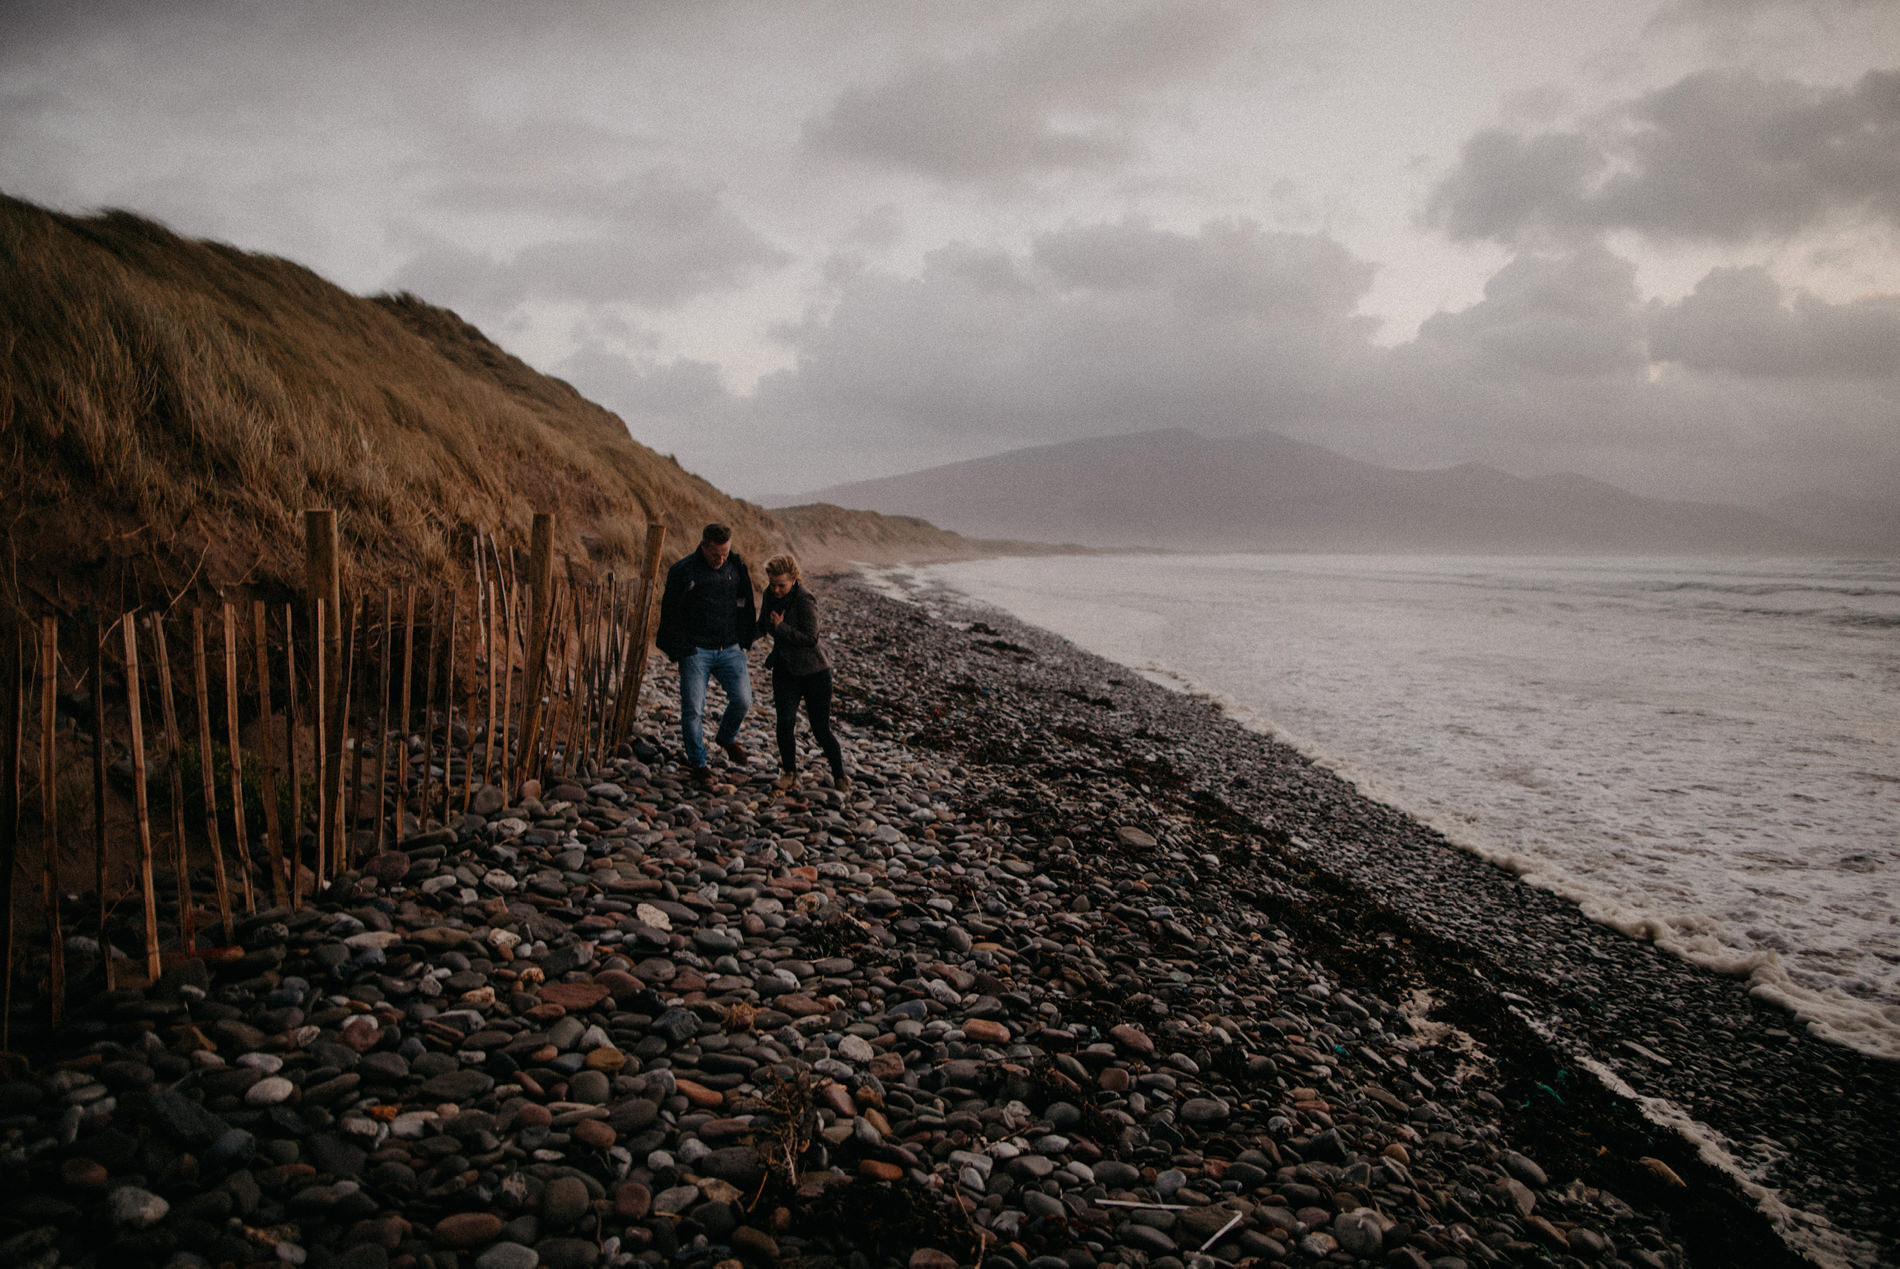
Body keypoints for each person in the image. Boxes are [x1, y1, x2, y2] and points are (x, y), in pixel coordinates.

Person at [655, 523, 757, 781]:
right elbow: (669, 612)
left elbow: (745, 602)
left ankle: (726, 737)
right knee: (693, 710)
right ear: (703, 546)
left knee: (743, 700)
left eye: (725, 553)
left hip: (730, 648)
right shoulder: (684, 570)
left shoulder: (736, 566)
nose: (720, 559)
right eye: (715, 554)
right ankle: (698, 763)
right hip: (695, 650)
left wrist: (746, 635)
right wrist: (680, 649)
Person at [756, 554, 849, 793]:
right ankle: (789, 774)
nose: (776, 589)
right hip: (785, 670)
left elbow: (811, 638)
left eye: (781, 585)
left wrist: (781, 628)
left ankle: (839, 776)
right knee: (784, 723)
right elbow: (762, 625)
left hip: (815, 673)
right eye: (772, 584)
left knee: (820, 729)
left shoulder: (805, 598)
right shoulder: (769, 594)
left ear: (794, 579)